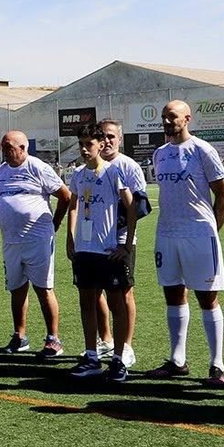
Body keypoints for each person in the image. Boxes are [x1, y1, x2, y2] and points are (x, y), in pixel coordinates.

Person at [144, 101, 224, 387]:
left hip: (199, 234)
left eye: (173, 117)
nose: (168, 122)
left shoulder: (203, 150)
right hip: (167, 233)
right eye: (164, 117)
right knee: (173, 294)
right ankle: (177, 360)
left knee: (207, 298)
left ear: (187, 119)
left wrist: (212, 231)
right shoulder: (160, 154)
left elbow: (223, 195)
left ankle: (217, 366)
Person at [66, 124, 137, 382]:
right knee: (87, 303)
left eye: (89, 144)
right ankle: (92, 356)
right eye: (81, 144)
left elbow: (131, 208)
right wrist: (70, 238)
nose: (85, 149)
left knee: (117, 303)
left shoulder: (112, 172)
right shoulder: (77, 174)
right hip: (85, 250)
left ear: (100, 144)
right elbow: (73, 206)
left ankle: (118, 359)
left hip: (108, 251)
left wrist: (126, 244)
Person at [0, 130, 71, 356]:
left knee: (44, 289)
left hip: (37, 240)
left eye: (9, 147)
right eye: (3, 147)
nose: (5, 151)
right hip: (11, 242)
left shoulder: (38, 167)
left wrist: (55, 223)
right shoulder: (1, 172)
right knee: (16, 289)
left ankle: (53, 339)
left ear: (23, 148)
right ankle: (20, 336)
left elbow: (65, 196)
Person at [97, 120, 147, 368]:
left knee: (123, 292)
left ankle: (126, 346)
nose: (106, 141)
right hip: (94, 241)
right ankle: (106, 340)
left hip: (119, 239)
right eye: (101, 137)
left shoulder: (128, 166)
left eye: (110, 136)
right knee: (95, 291)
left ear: (119, 139)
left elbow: (139, 207)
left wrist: (125, 243)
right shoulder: (90, 167)